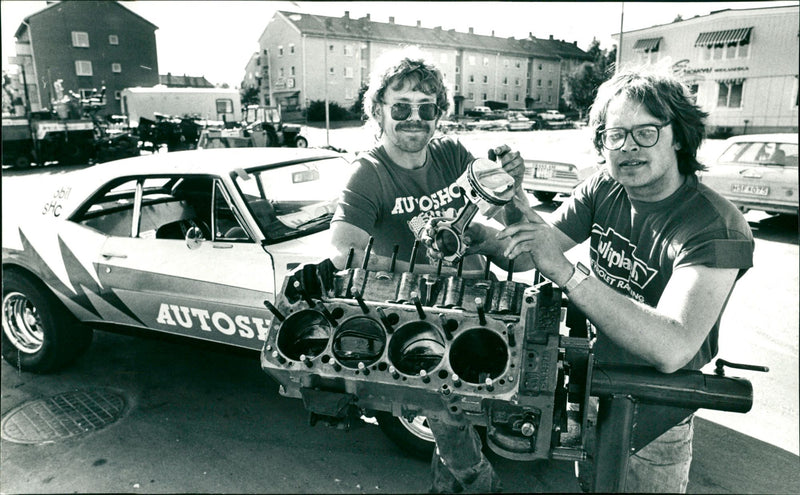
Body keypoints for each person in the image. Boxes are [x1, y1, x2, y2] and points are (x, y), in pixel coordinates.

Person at [427, 66, 755, 492]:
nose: (629, 147)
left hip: (656, 416)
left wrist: (566, 272)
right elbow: (533, 252)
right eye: (615, 135)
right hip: (595, 388)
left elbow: (673, 347)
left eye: (646, 132)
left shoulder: (716, 227)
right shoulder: (605, 186)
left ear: (679, 135)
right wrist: (491, 220)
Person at [329, 45, 528, 493]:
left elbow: (518, 241)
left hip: (480, 313)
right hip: (421, 328)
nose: (414, 117)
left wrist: (514, 187)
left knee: (464, 416)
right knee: (450, 420)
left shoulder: (453, 154)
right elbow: (344, 252)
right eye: (400, 106)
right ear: (377, 111)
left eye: (427, 107)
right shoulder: (368, 173)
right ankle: (483, 487)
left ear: (440, 113)